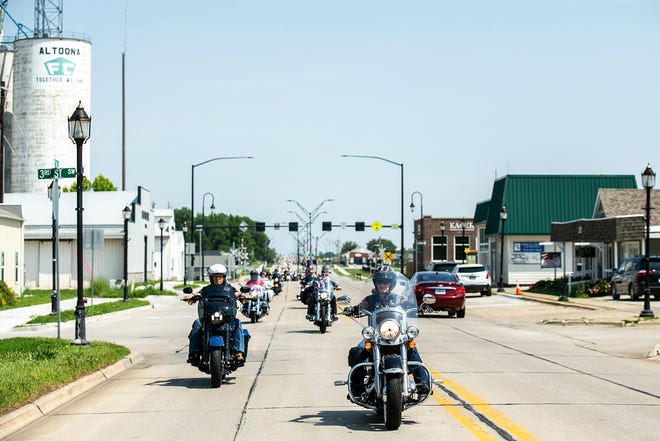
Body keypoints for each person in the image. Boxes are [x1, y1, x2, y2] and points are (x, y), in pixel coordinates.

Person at [349, 266, 430, 395]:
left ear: (391, 283)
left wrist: (419, 307)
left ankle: (422, 383)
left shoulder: (398, 298)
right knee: (360, 350)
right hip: (376, 336)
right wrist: (354, 309)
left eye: (385, 281)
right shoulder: (370, 300)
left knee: (412, 349)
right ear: (375, 283)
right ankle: (356, 387)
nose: (382, 284)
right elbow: (362, 306)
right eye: (379, 281)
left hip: (396, 335)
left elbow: (408, 304)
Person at [184, 264, 245, 366]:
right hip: (209, 317)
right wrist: (191, 297)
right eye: (215, 276)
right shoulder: (206, 289)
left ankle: (239, 352)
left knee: (237, 323)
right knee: (197, 323)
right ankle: (193, 353)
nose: (217, 278)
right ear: (211, 278)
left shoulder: (229, 289)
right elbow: (198, 294)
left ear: (224, 277)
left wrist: (244, 296)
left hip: (226, 318)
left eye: (220, 276)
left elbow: (238, 294)